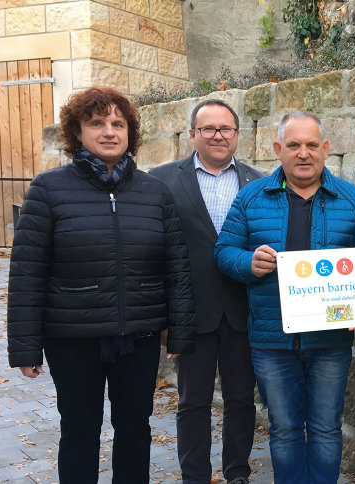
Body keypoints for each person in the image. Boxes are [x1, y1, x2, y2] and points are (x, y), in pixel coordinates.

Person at [6, 87, 195, 483]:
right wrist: (25, 346)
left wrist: (180, 333)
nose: (108, 131)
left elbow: (176, 267)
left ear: (130, 132)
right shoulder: (48, 190)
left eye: (118, 123)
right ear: (78, 132)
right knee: (79, 432)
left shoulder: (154, 193)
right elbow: (27, 273)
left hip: (137, 338)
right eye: (96, 123)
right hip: (73, 339)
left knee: (135, 430)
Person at [214, 110, 355, 484]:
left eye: (311, 145)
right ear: (278, 149)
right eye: (293, 145)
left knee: (325, 428)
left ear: (326, 149)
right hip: (272, 340)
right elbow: (224, 251)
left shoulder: (352, 200)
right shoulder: (251, 197)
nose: (303, 153)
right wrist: (247, 262)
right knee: (284, 428)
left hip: (330, 339)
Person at [149, 99, 263, 484]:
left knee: (241, 402)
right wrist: (163, 313)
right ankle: (194, 476)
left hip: (243, 312)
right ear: (193, 134)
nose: (218, 135)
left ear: (237, 135)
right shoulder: (161, 180)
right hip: (190, 313)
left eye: (226, 129)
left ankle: (237, 473)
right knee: (192, 403)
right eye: (209, 128)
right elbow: (153, 251)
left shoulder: (258, 183)